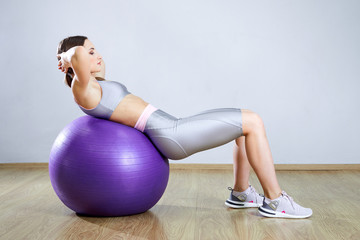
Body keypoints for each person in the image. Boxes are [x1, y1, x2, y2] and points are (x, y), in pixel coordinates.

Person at [57, 35, 312, 219]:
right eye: (90, 52)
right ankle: (276, 200)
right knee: (253, 121)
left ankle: (241, 193)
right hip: (171, 134)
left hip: (171, 127)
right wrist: (66, 56)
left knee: (243, 127)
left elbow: (82, 57)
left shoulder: (94, 87)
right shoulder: (83, 89)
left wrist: (79, 57)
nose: (97, 55)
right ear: (73, 64)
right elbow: (77, 55)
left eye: (95, 49)